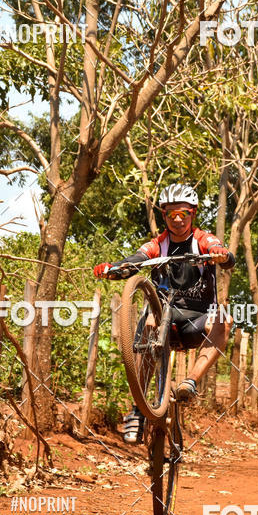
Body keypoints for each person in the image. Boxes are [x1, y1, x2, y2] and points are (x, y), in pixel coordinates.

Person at [94, 183, 235, 444]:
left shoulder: (203, 240)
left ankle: (190, 382)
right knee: (149, 321)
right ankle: (137, 409)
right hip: (163, 320)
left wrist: (221, 254)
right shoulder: (157, 245)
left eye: (183, 214)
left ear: (193, 214)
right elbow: (135, 259)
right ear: (164, 216)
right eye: (172, 215)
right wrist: (112, 268)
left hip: (197, 321)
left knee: (224, 320)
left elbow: (226, 255)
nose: (178, 220)